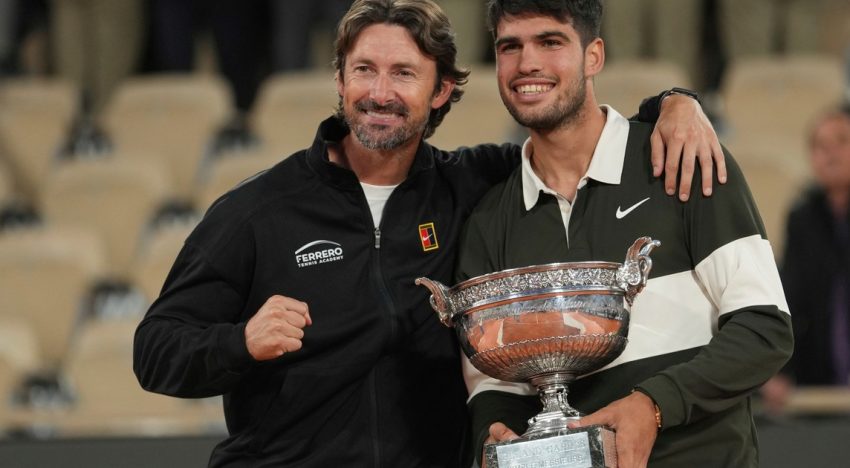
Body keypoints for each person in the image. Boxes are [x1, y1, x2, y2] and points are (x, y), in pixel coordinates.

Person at [133, 0, 725, 466]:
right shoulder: (257, 210)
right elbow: (154, 349)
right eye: (363, 70)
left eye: (404, 74)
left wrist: (675, 102)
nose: (379, 93)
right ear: (339, 80)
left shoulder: (476, 185)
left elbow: (577, 129)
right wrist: (240, 342)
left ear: (440, 90)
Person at [454, 1, 794, 467]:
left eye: (550, 42)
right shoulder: (490, 219)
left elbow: (764, 328)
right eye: (510, 47)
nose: (527, 63)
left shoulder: (684, 159)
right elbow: (495, 383)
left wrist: (652, 406)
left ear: (594, 56)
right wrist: (495, 434)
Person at [764, 104, 850, 409]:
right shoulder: (803, 218)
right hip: (818, 376)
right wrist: (780, 369)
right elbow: (790, 297)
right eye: (819, 146)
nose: (830, 154)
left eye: (841, 141)